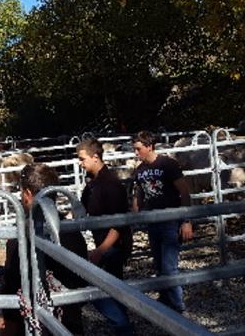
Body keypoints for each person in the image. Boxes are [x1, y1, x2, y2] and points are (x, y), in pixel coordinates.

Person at [0, 164, 88, 336]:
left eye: (21, 192)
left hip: (32, 327)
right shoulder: (71, 232)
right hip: (70, 324)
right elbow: (82, 281)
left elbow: (13, 290)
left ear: (28, 194)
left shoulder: (18, 239)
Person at [76, 139, 134, 335]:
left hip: (114, 245)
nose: (80, 163)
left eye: (82, 159)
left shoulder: (111, 184)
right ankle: (123, 327)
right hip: (106, 244)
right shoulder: (93, 184)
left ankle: (123, 327)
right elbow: (80, 209)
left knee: (90, 284)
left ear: (95, 157)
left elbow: (119, 223)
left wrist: (100, 251)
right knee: (114, 288)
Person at [132, 130, 193, 313]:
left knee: (169, 267)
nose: (136, 153)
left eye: (138, 149)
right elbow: (139, 193)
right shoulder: (139, 170)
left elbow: (184, 192)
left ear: (149, 146)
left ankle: (178, 308)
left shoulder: (168, 164)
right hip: (152, 221)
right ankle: (165, 302)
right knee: (159, 266)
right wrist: (136, 213)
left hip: (171, 221)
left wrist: (186, 220)